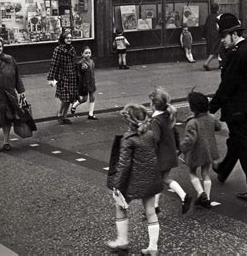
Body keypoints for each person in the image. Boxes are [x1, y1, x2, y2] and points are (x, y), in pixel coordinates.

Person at [209, 13, 247, 203]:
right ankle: (224, 169)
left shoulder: (236, 54)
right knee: (236, 140)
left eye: (224, 37)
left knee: (244, 147)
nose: (222, 41)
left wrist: (210, 108)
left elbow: (227, 85)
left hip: (237, 109)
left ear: (234, 35)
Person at [106, 104, 163, 254]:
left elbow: (124, 165)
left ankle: (122, 240)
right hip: (151, 178)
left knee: (120, 207)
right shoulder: (151, 135)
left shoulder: (128, 139)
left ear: (128, 121)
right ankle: (153, 247)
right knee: (151, 211)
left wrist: (117, 186)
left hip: (133, 181)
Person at [149, 87, 192, 214]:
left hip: (161, 156)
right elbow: (175, 133)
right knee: (164, 179)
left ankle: (155, 207)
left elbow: (155, 138)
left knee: (158, 180)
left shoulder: (155, 120)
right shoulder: (168, 116)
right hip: (170, 154)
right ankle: (158, 206)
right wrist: (177, 148)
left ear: (153, 104)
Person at [179, 90, 221, 208]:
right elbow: (218, 127)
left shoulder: (192, 122)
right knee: (205, 173)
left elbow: (190, 140)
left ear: (193, 108)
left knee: (192, 172)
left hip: (195, 152)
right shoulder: (211, 118)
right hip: (209, 151)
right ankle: (207, 198)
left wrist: (181, 149)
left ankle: (200, 193)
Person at [47, 31, 78, 125]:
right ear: (63, 39)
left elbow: (74, 62)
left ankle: (65, 116)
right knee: (65, 98)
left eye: (70, 38)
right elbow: (54, 64)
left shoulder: (72, 49)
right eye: (67, 38)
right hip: (62, 77)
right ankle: (60, 114)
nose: (69, 39)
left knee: (70, 98)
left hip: (72, 76)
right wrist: (51, 78)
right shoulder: (58, 49)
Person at [70, 46, 98, 120]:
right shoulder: (81, 63)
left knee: (92, 96)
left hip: (91, 81)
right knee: (84, 99)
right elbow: (78, 73)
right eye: (86, 53)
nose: (88, 54)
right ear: (82, 54)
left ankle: (91, 114)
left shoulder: (92, 61)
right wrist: (81, 69)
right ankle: (74, 105)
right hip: (84, 83)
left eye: (89, 53)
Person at [202, 3, 222, 71]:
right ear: (218, 9)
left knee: (215, 48)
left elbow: (205, 26)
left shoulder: (209, 17)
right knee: (216, 48)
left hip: (209, 35)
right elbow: (221, 25)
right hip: (216, 35)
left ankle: (221, 63)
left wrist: (204, 35)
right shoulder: (218, 17)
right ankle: (206, 63)